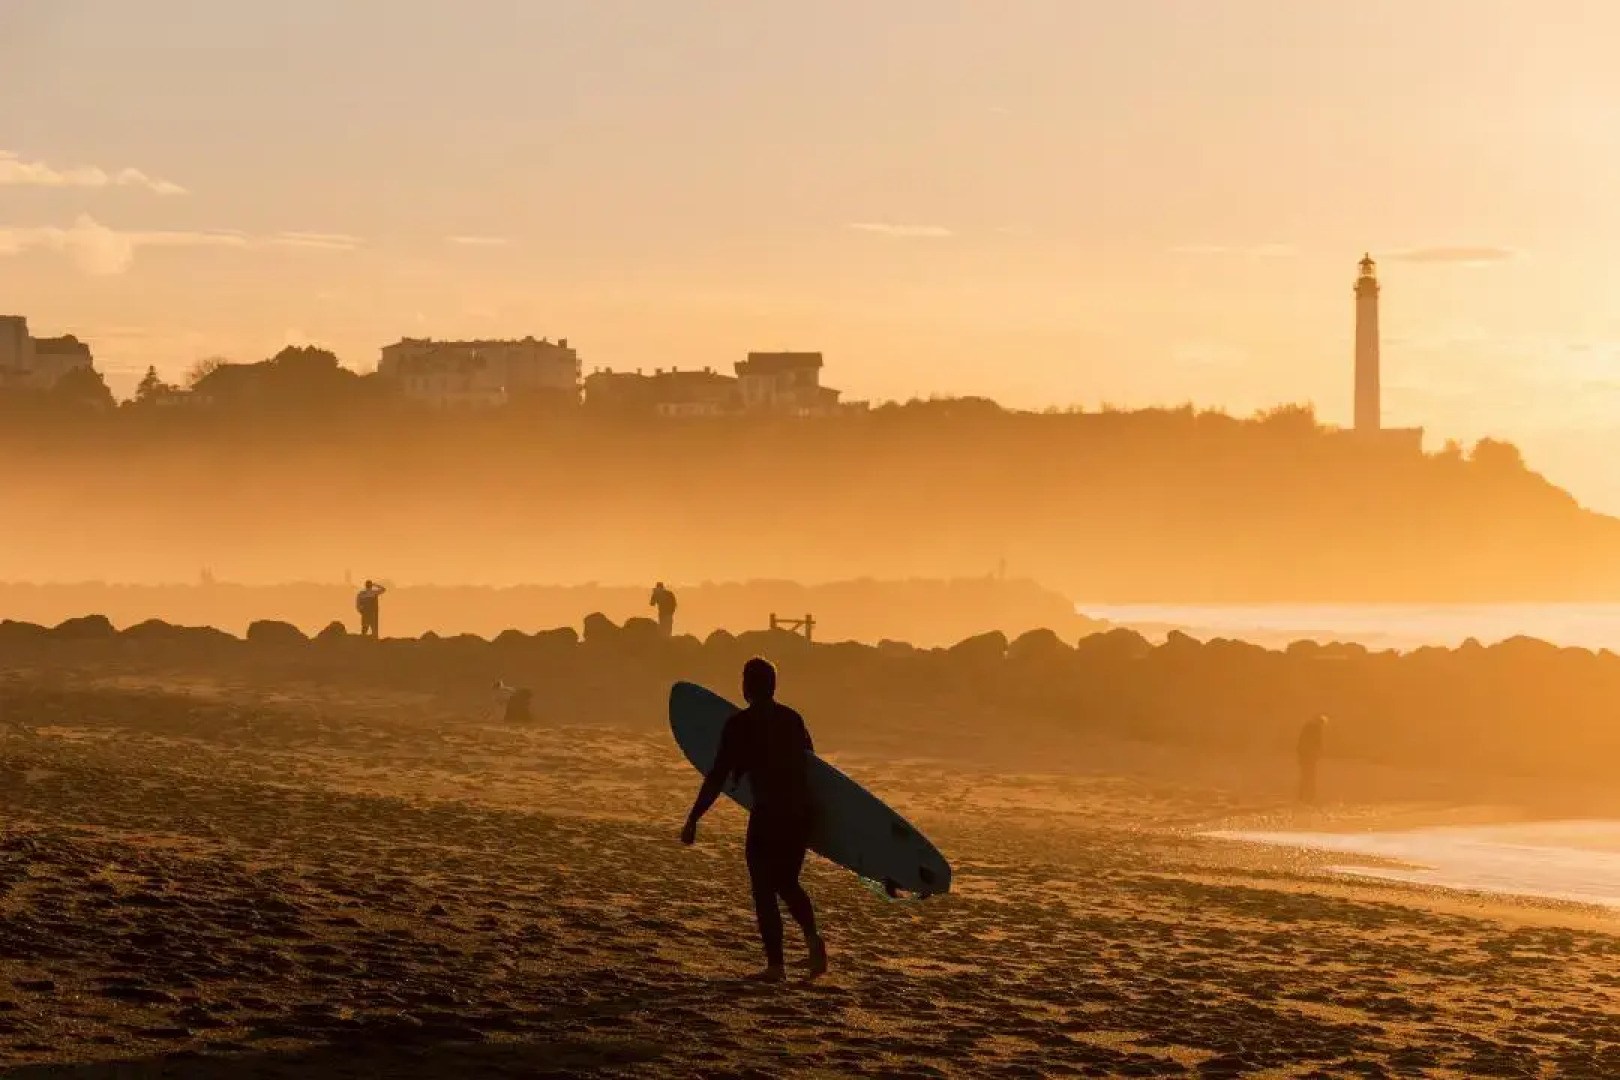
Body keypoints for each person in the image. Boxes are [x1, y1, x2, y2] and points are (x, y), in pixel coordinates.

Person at [681, 657, 827, 982]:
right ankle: (812, 941)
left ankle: (776, 966)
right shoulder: (792, 719)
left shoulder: (740, 725)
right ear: (773, 686)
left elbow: (717, 776)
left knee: (763, 888)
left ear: (746, 687)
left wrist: (694, 818)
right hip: (800, 813)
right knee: (787, 882)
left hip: (769, 813)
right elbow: (813, 767)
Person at [1297, 714, 1327, 804]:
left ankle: (1301, 796)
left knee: (1305, 775)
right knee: (1310, 775)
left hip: (1303, 754)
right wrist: (1319, 751)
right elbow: (1318, 742)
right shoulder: (1317, 728)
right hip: (1310, 755)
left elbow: (1300, 741)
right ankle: (1310, 796)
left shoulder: (1307, 726)